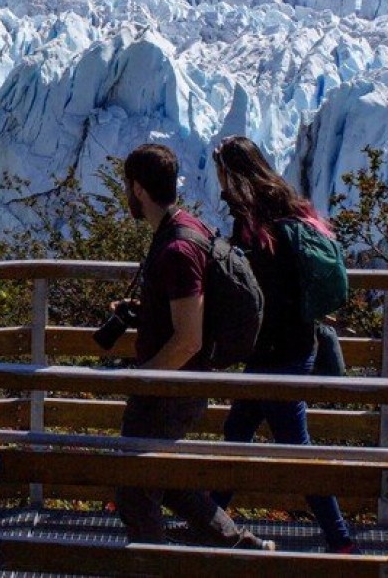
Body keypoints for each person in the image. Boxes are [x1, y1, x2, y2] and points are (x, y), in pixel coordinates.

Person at [111, 143, 274, 550]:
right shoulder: (185, 227)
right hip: (176, 382)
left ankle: (152, 565)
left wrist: (142, 376)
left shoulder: (178, 248)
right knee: (165, 480)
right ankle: (241, 546)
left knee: (135, 486)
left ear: (139, 190)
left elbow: (188, 339)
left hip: (169, 386)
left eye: (128, 188)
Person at [211, 135, 357, 554]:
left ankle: (342, 542)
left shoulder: (256, 223)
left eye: (221, 170)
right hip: (293, 346)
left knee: (295, 451)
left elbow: (256, 291)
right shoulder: (287, 206)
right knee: (237, 433)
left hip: (277, 354)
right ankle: (208, 521)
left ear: (232, 173)